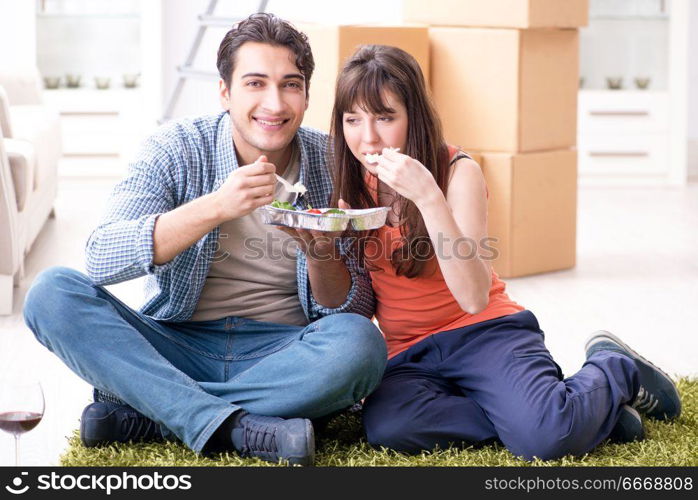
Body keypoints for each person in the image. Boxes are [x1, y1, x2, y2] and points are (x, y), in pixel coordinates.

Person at [22, 14, 387, 467]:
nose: (274, 103)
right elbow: (103, 257)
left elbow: (351, 308)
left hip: (284, 353)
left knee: (360, 344)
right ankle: (235, 426)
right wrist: (215, 206)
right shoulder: (175, 149)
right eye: (255, 83)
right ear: (224, 91)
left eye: (290, 85)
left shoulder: (334, 161)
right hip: (176, 344)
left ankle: (157, 412)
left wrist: (319, 254)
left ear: (307, 96)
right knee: (51, 293)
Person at [328, 44, 681, 460]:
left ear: (413, 116)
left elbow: (473, 297)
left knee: (543, 443)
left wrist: (428, 198)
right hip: (409, 352)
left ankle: (613, 368)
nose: (367, 137)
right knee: (391, 429)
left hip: (484, 333)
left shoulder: (458, 172)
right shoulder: (350, 183)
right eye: (353, 120)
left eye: (385, 117)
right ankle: (565, 413)